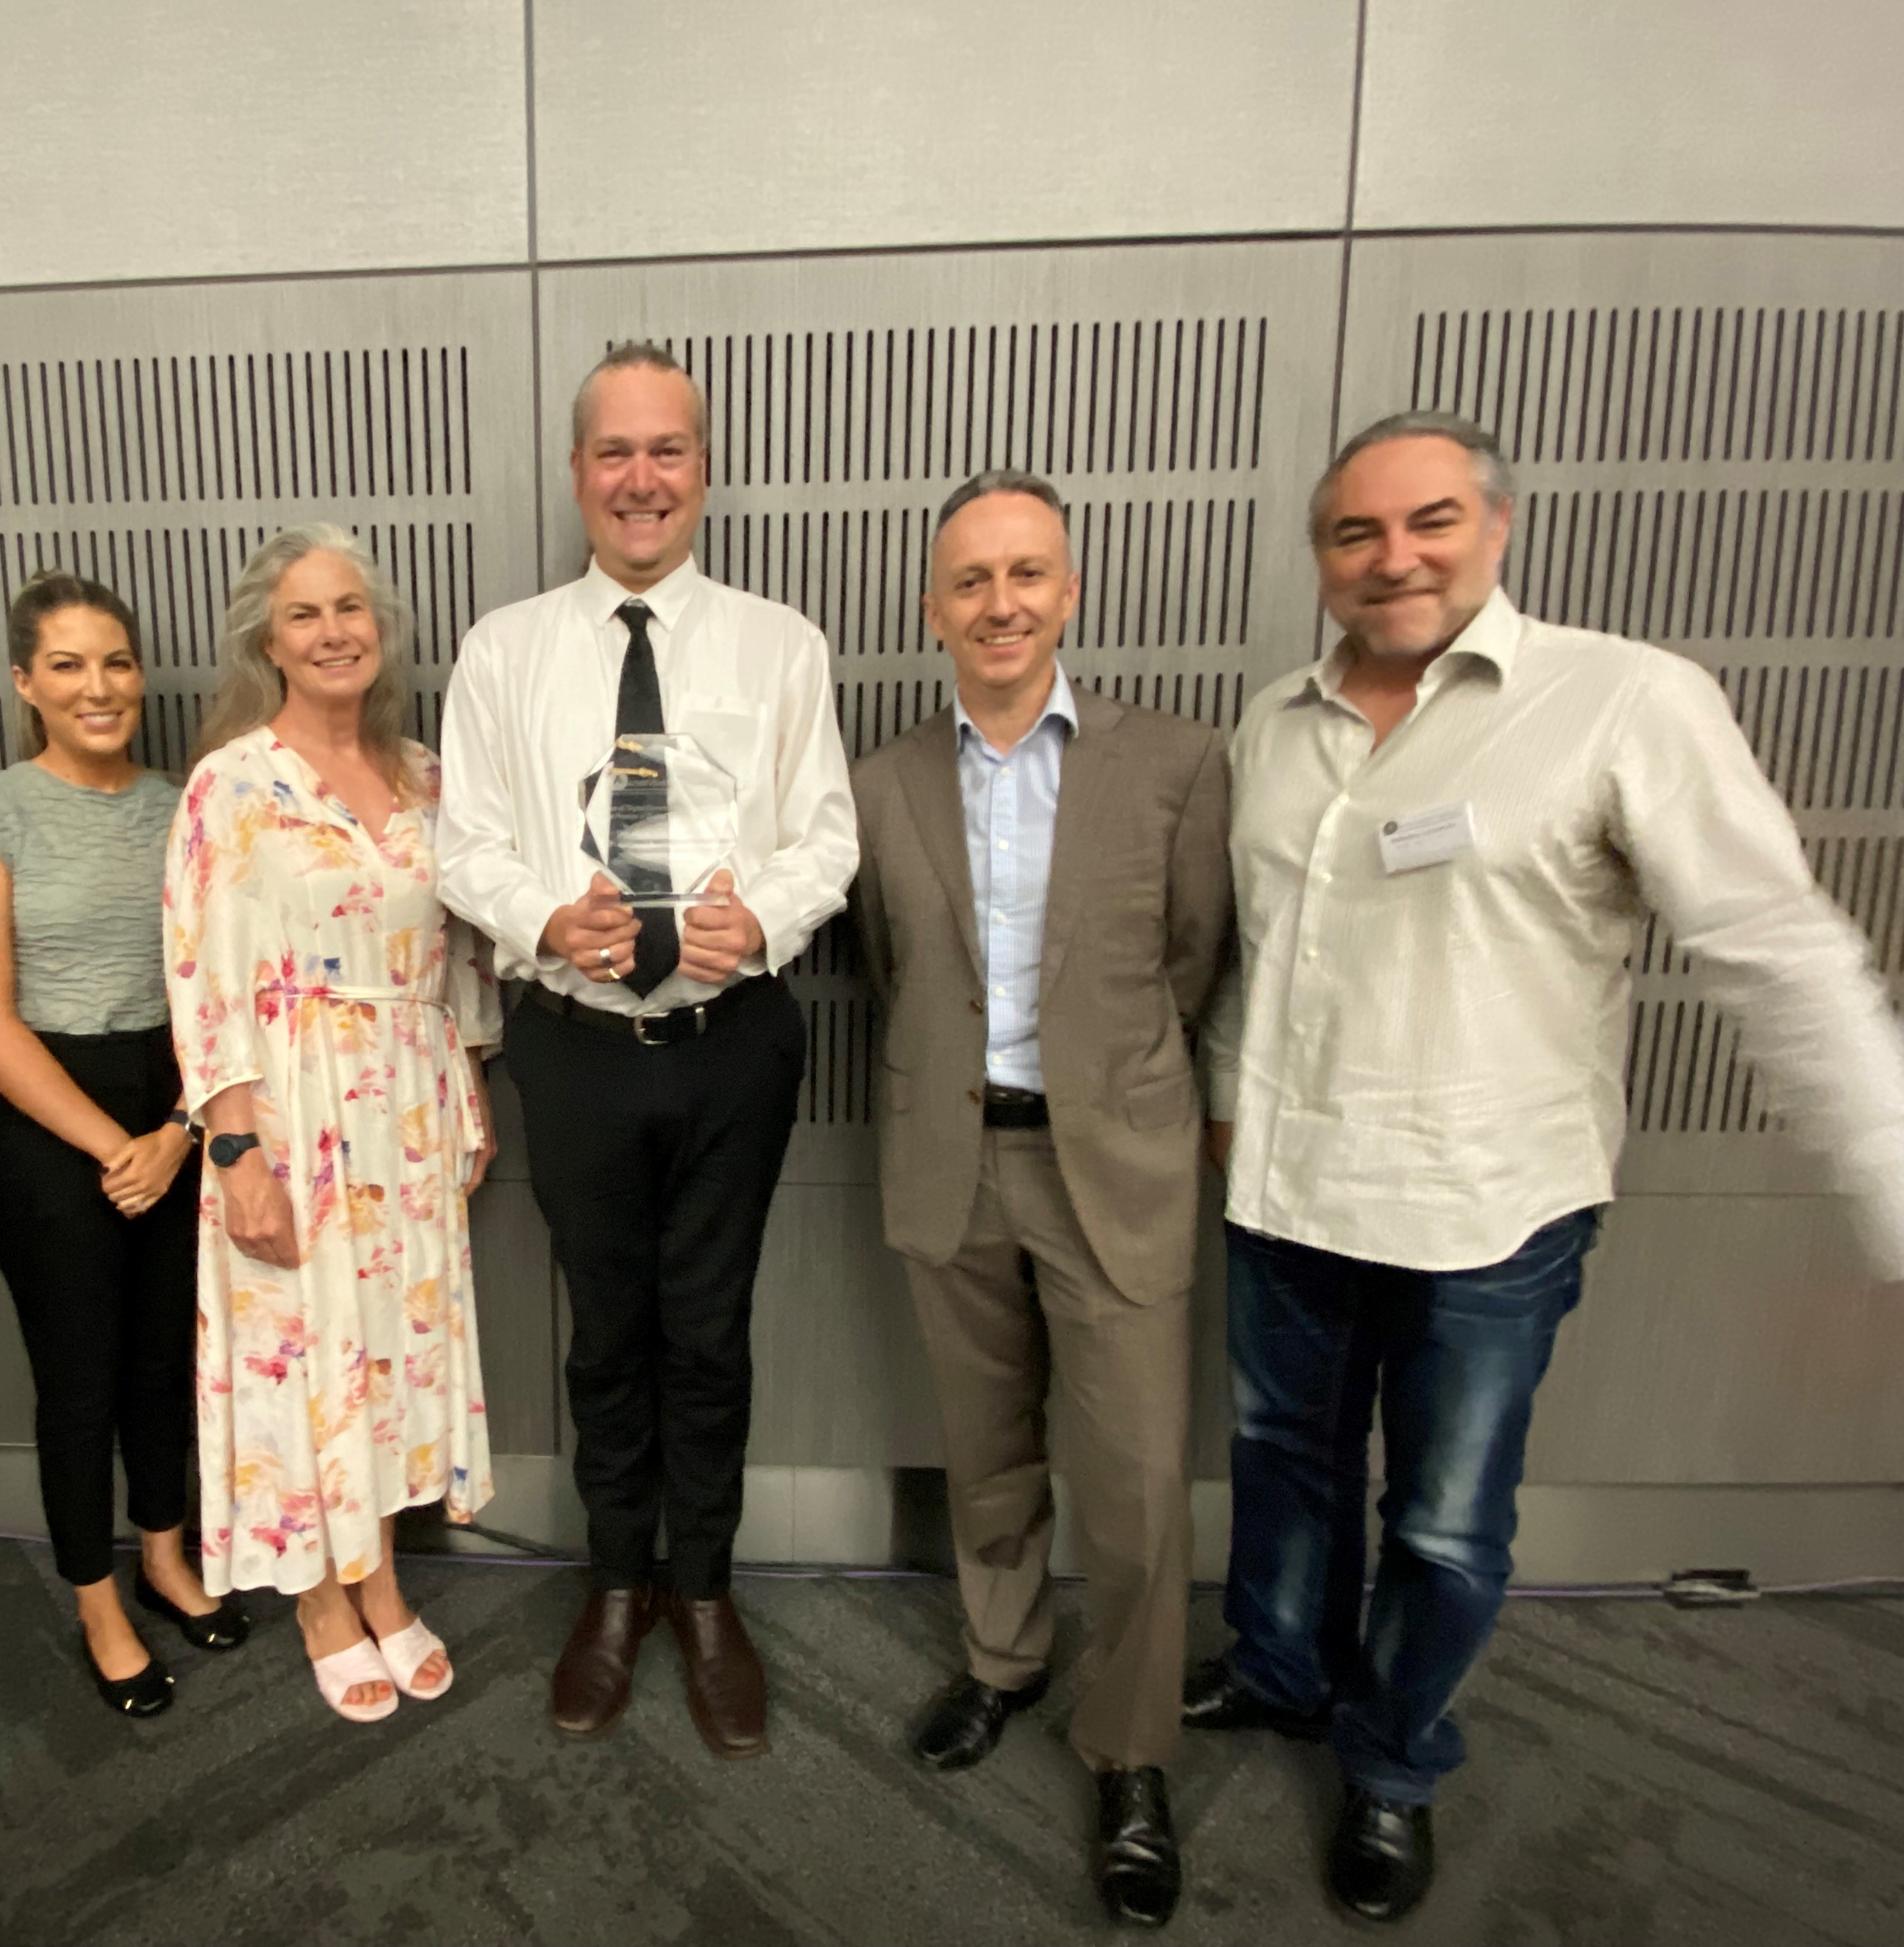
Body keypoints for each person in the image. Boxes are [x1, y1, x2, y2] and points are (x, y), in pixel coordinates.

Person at [1193, 411, 1904, 1923]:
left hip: (1490, 1209)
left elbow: (1776, 949)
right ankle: (1279, 1673)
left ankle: (1390, 1768)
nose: (1395, 559)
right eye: (1356, 533)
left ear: (1496, 529)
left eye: (1429, 522)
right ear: (1321, 556)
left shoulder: (1624, 701)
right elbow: (1262, 953)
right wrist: (1223, 1105)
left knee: (1445, 1522)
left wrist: (1890, 1178)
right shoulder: (1273, 722)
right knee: (1285, 1469)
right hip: (1291, 1194)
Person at [439, 343, 860, 1760]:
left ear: (702, 468)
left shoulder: (780, 643)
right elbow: (466, 846)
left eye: (666, 450)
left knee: (711, 1332)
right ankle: (616, 1585)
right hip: (578, 1047)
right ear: (575, 473)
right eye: (613, 453)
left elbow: (829, 840)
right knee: (607, 1335)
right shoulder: (503, 652)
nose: (641, 479)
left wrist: (768, 918)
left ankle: (709, 1593)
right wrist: (549, 917)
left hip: (731, 1043)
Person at [851, 471, 1230, 1928]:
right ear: (935, 606)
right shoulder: (883, 781)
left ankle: (1131, 1755)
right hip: (955, 1162)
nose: (998, 604)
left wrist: (1103, 1085)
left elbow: (1194, 958)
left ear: (1069, 591)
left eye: (1026, 575)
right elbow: (891, 968)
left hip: (1115, 1170)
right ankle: (1003, 1663)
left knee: (1134, 1486)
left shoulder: (1179, 763)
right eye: (970, 581)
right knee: (987, 1451)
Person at [165, 524, 501, 1722]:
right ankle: (320, 1594)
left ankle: (382, 1575)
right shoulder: (232, 783)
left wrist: (462, 1085)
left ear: (380, 626)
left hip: (405, 1103)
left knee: (388, 1354)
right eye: (305, 614)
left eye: (350, 608)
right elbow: (199, 973)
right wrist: (237, 1146)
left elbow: (459, 946)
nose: (333, 631)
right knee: (304, 1351)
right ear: (270, 637)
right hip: (292, 1101)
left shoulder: (425, 775)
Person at [0, 571, 250, 1719]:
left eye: (115, 660)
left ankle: (165, 1558)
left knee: (165, 1363)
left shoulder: (186, 805)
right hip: (44, 1118)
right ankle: (97, 1600)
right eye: (67, 665)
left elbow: (218, 988)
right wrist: (115, 1142)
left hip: (174, 1102)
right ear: (26, 683)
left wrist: (173, 1131)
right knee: (79, 1383)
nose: (99, 685)